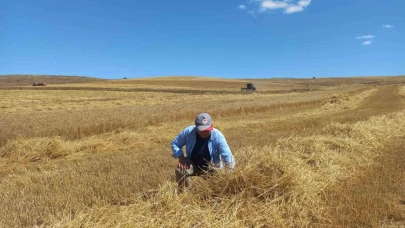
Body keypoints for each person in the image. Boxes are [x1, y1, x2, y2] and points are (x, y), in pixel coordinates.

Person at [171, 112, 235, 190]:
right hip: (193, 165)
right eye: (202, 130)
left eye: (207, 130)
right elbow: (175, 143)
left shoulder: (218, 136)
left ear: (211, 126)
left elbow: (228, 157)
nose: (204, 132)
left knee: (214, 191)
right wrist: (181, 157)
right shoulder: (188, 132)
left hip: (213, 168)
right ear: (196, 127)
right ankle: (183, 194)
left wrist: (229, 175)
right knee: (180, 171)